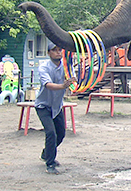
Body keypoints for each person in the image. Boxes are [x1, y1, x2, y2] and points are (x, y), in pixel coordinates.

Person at [35, 40, 76, 174]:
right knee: (51, 132)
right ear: (49, 53)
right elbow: (48, 85)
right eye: (55, 50)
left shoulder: (66, 67)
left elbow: (73, 79)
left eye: (60, 49)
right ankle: (50, 164)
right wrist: (63, 86)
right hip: (43, 106)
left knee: (61, 134)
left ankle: (46, 153)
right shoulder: (44, 67)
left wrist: (73, 82)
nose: (58, 52)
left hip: (57, 106)